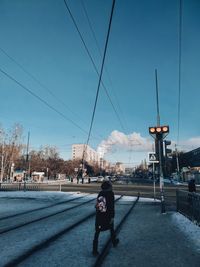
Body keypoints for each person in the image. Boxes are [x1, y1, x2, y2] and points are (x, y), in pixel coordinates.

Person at [92, 179, 119, 256]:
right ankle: (114, 241)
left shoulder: (100, 193)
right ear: (109, 187)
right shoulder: (110, 194)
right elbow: (111, 206)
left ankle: (94, 249)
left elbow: (97, 205)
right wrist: (112, 216)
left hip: (99, 215)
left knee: (97, 231)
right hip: (107, 215)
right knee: (111, 228)